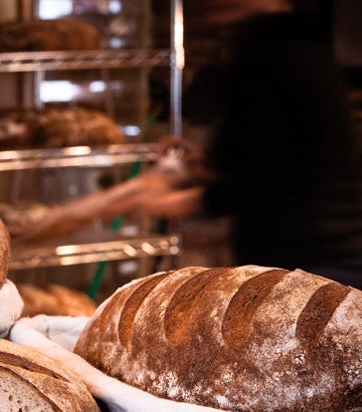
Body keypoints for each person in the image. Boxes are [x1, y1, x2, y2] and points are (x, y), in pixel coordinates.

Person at [126, 0, 362, 288]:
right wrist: (207, 164)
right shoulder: (295, 42)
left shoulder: (271, 52)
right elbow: (277, 153)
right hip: (321, 254)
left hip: (310, 261)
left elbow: (264, 181)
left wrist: (166, 203)